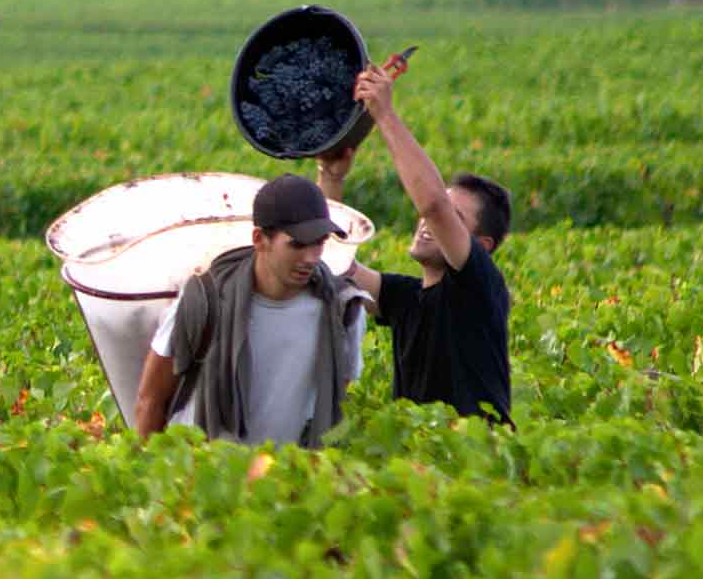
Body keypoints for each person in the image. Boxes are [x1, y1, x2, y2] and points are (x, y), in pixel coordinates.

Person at [316, 58, 513, 426]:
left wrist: (385, 115)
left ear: (482, 246)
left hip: (475, 462)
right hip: (420, 465)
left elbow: (433, 204)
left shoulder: (480, 288)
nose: (426, 222)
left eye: (455, 219)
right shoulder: (407, 299)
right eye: (431, 217)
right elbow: (329, 264)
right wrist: (331, 176)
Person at [133, 174, 371, 448]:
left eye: (319, 242)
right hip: (198, 476)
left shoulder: (342, 311)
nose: (311, 257)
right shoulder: (206, 300)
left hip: (283, 482)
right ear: (260, 239)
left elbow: (335, 403)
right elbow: (150, 399)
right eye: (297, 244)